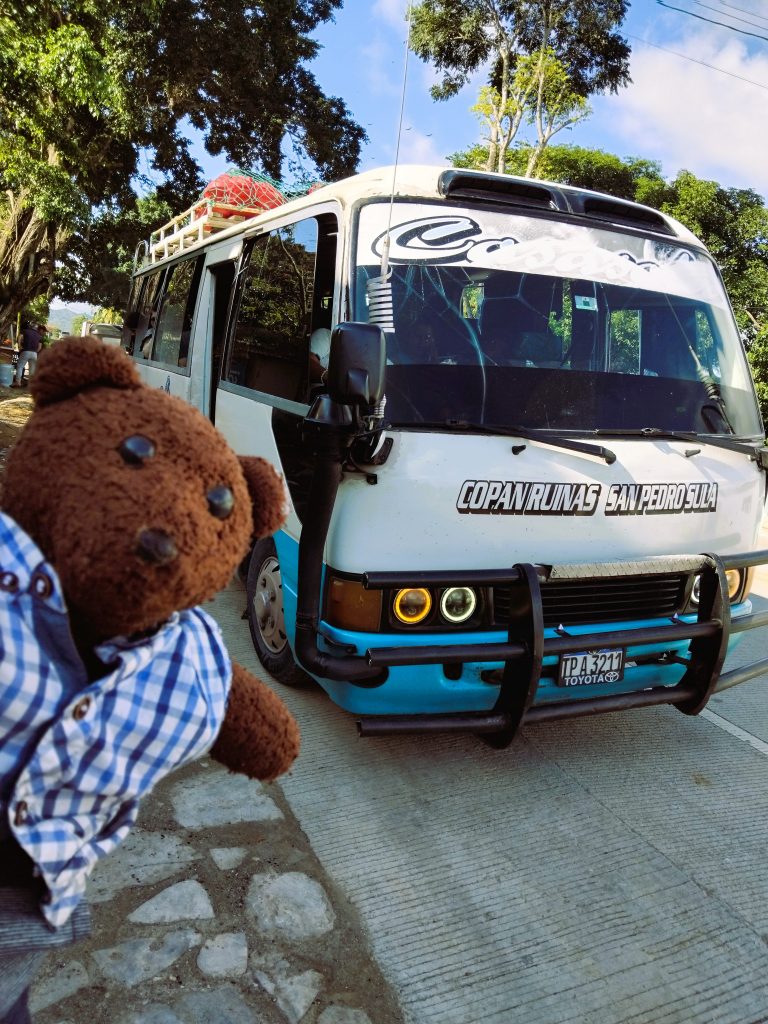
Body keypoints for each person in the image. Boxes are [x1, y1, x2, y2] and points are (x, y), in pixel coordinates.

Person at [11, 324, 44, 388]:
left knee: (20, 366)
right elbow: (40, 347)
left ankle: (18, 382)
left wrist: (20, 346)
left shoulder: (25, 331)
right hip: (34, 354)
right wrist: (35, 351)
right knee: (32, 369)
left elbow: (20, 337)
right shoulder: (39, 335)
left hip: (26, 351)